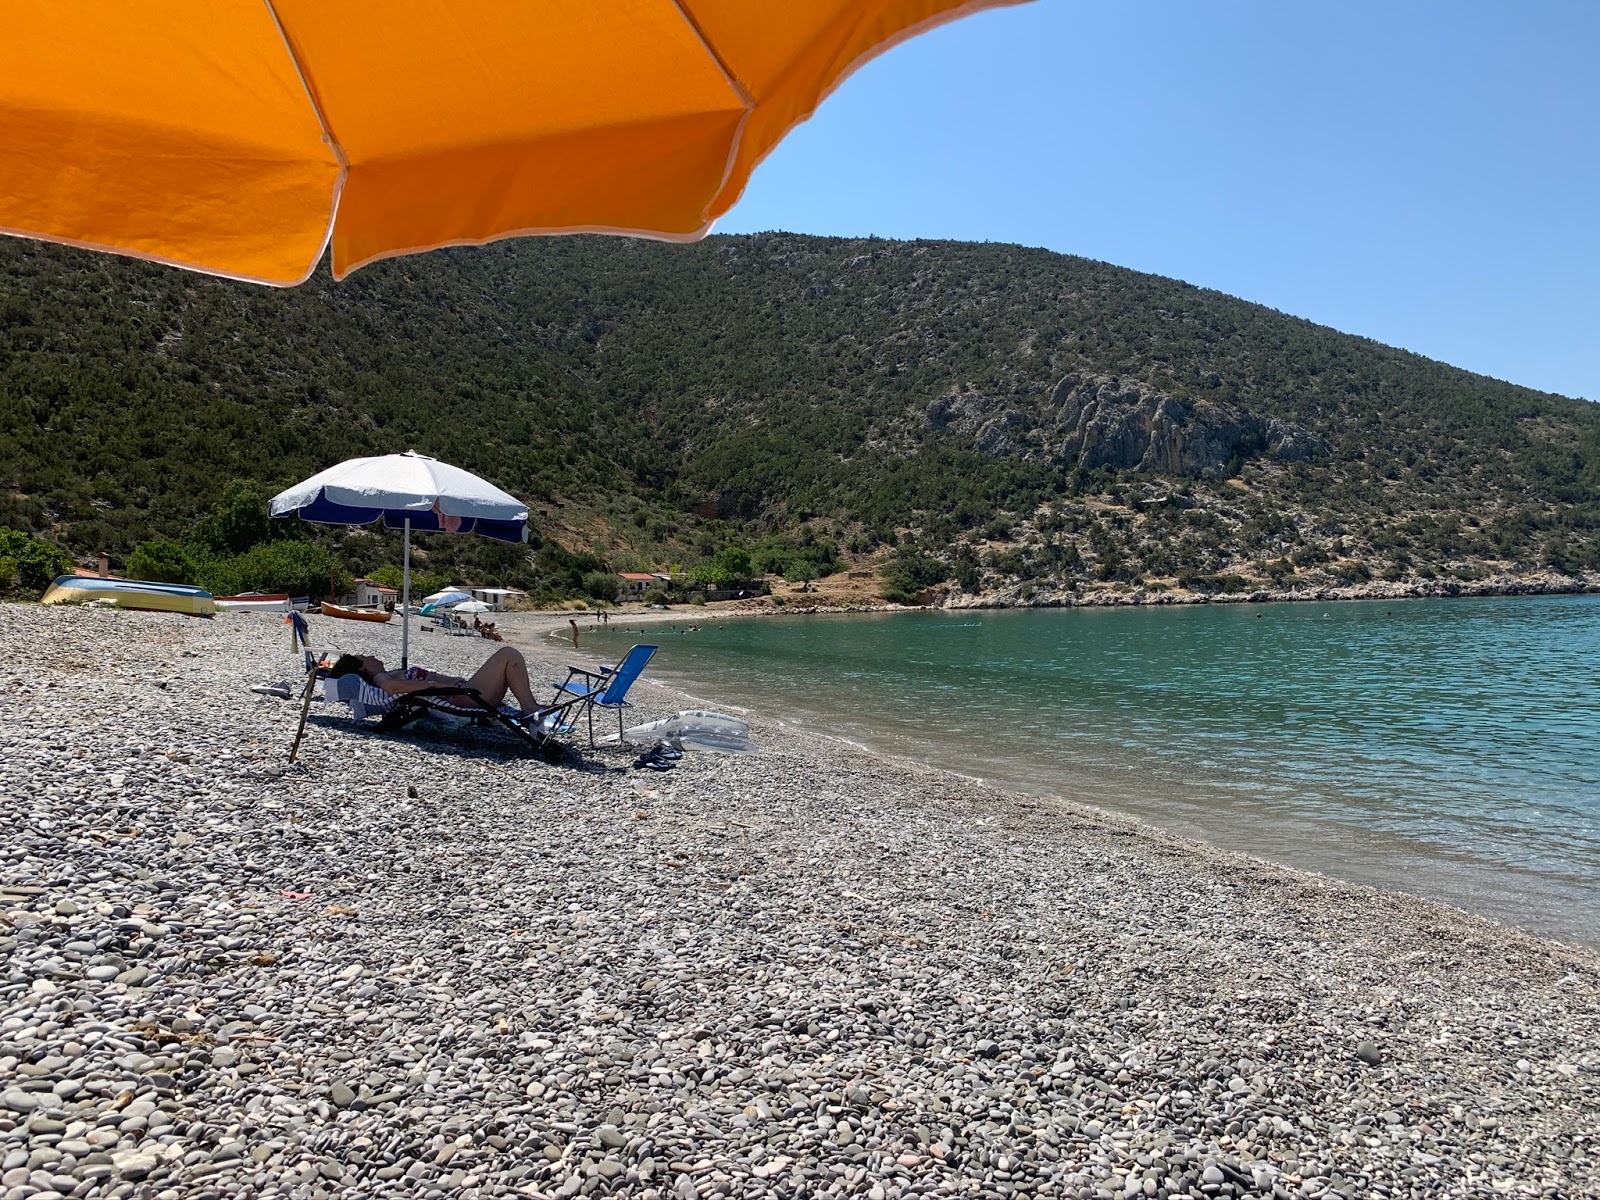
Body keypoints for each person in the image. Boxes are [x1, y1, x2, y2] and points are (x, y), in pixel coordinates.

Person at [327, 645, 540, 713]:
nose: (373, 656)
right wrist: (433, 685)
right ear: (363, 667)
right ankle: (530, 710)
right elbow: (392, 687)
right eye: (367, 657)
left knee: (508, 657)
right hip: (464, 697)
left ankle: (530, 707)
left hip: (464, 692)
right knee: (508, 654)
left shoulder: (386, 673)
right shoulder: (382, 677)